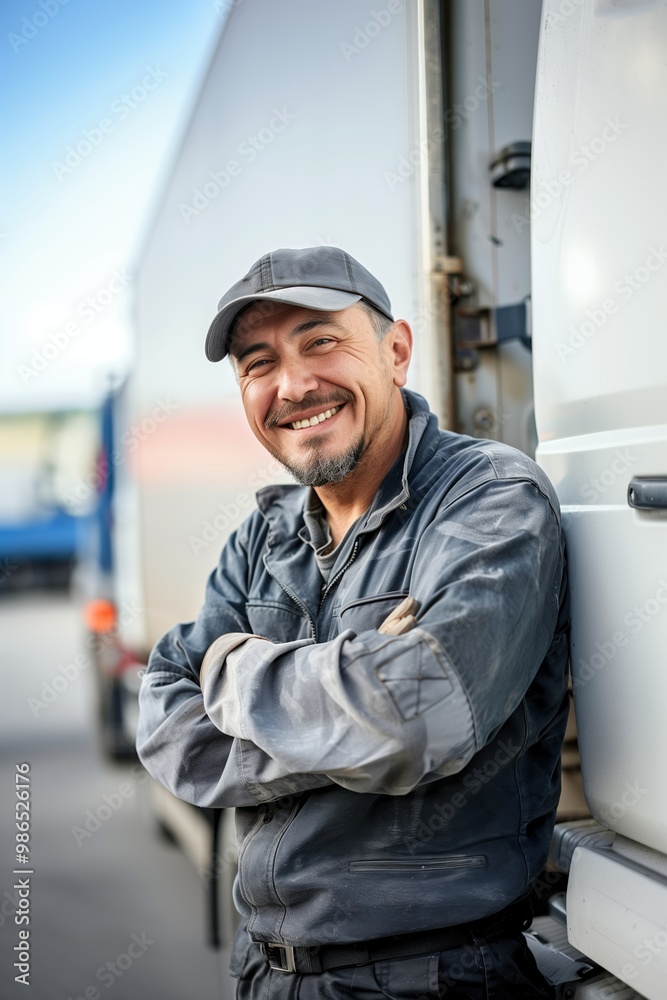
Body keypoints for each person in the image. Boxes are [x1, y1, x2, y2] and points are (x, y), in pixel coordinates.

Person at [136, 246, 569, 999]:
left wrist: (233, 672)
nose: (293, 385)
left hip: (433, 977)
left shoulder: (490, 500)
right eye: (258, 363)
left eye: (321, 341)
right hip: (264, 972)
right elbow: (168, 730)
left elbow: (415, 717)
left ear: (396, 351)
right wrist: (356, 706)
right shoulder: (262, 538)